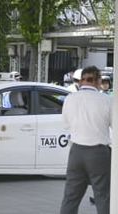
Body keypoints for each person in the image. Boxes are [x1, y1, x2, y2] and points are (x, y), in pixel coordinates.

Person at [60, 66, 112, 214]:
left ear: (81, 81)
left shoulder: (70, 99)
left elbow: (66, 124)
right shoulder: (106, 100)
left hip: (76, 151)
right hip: (98, 152)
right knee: (102, 195)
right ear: (98, 81)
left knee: (71, 197)